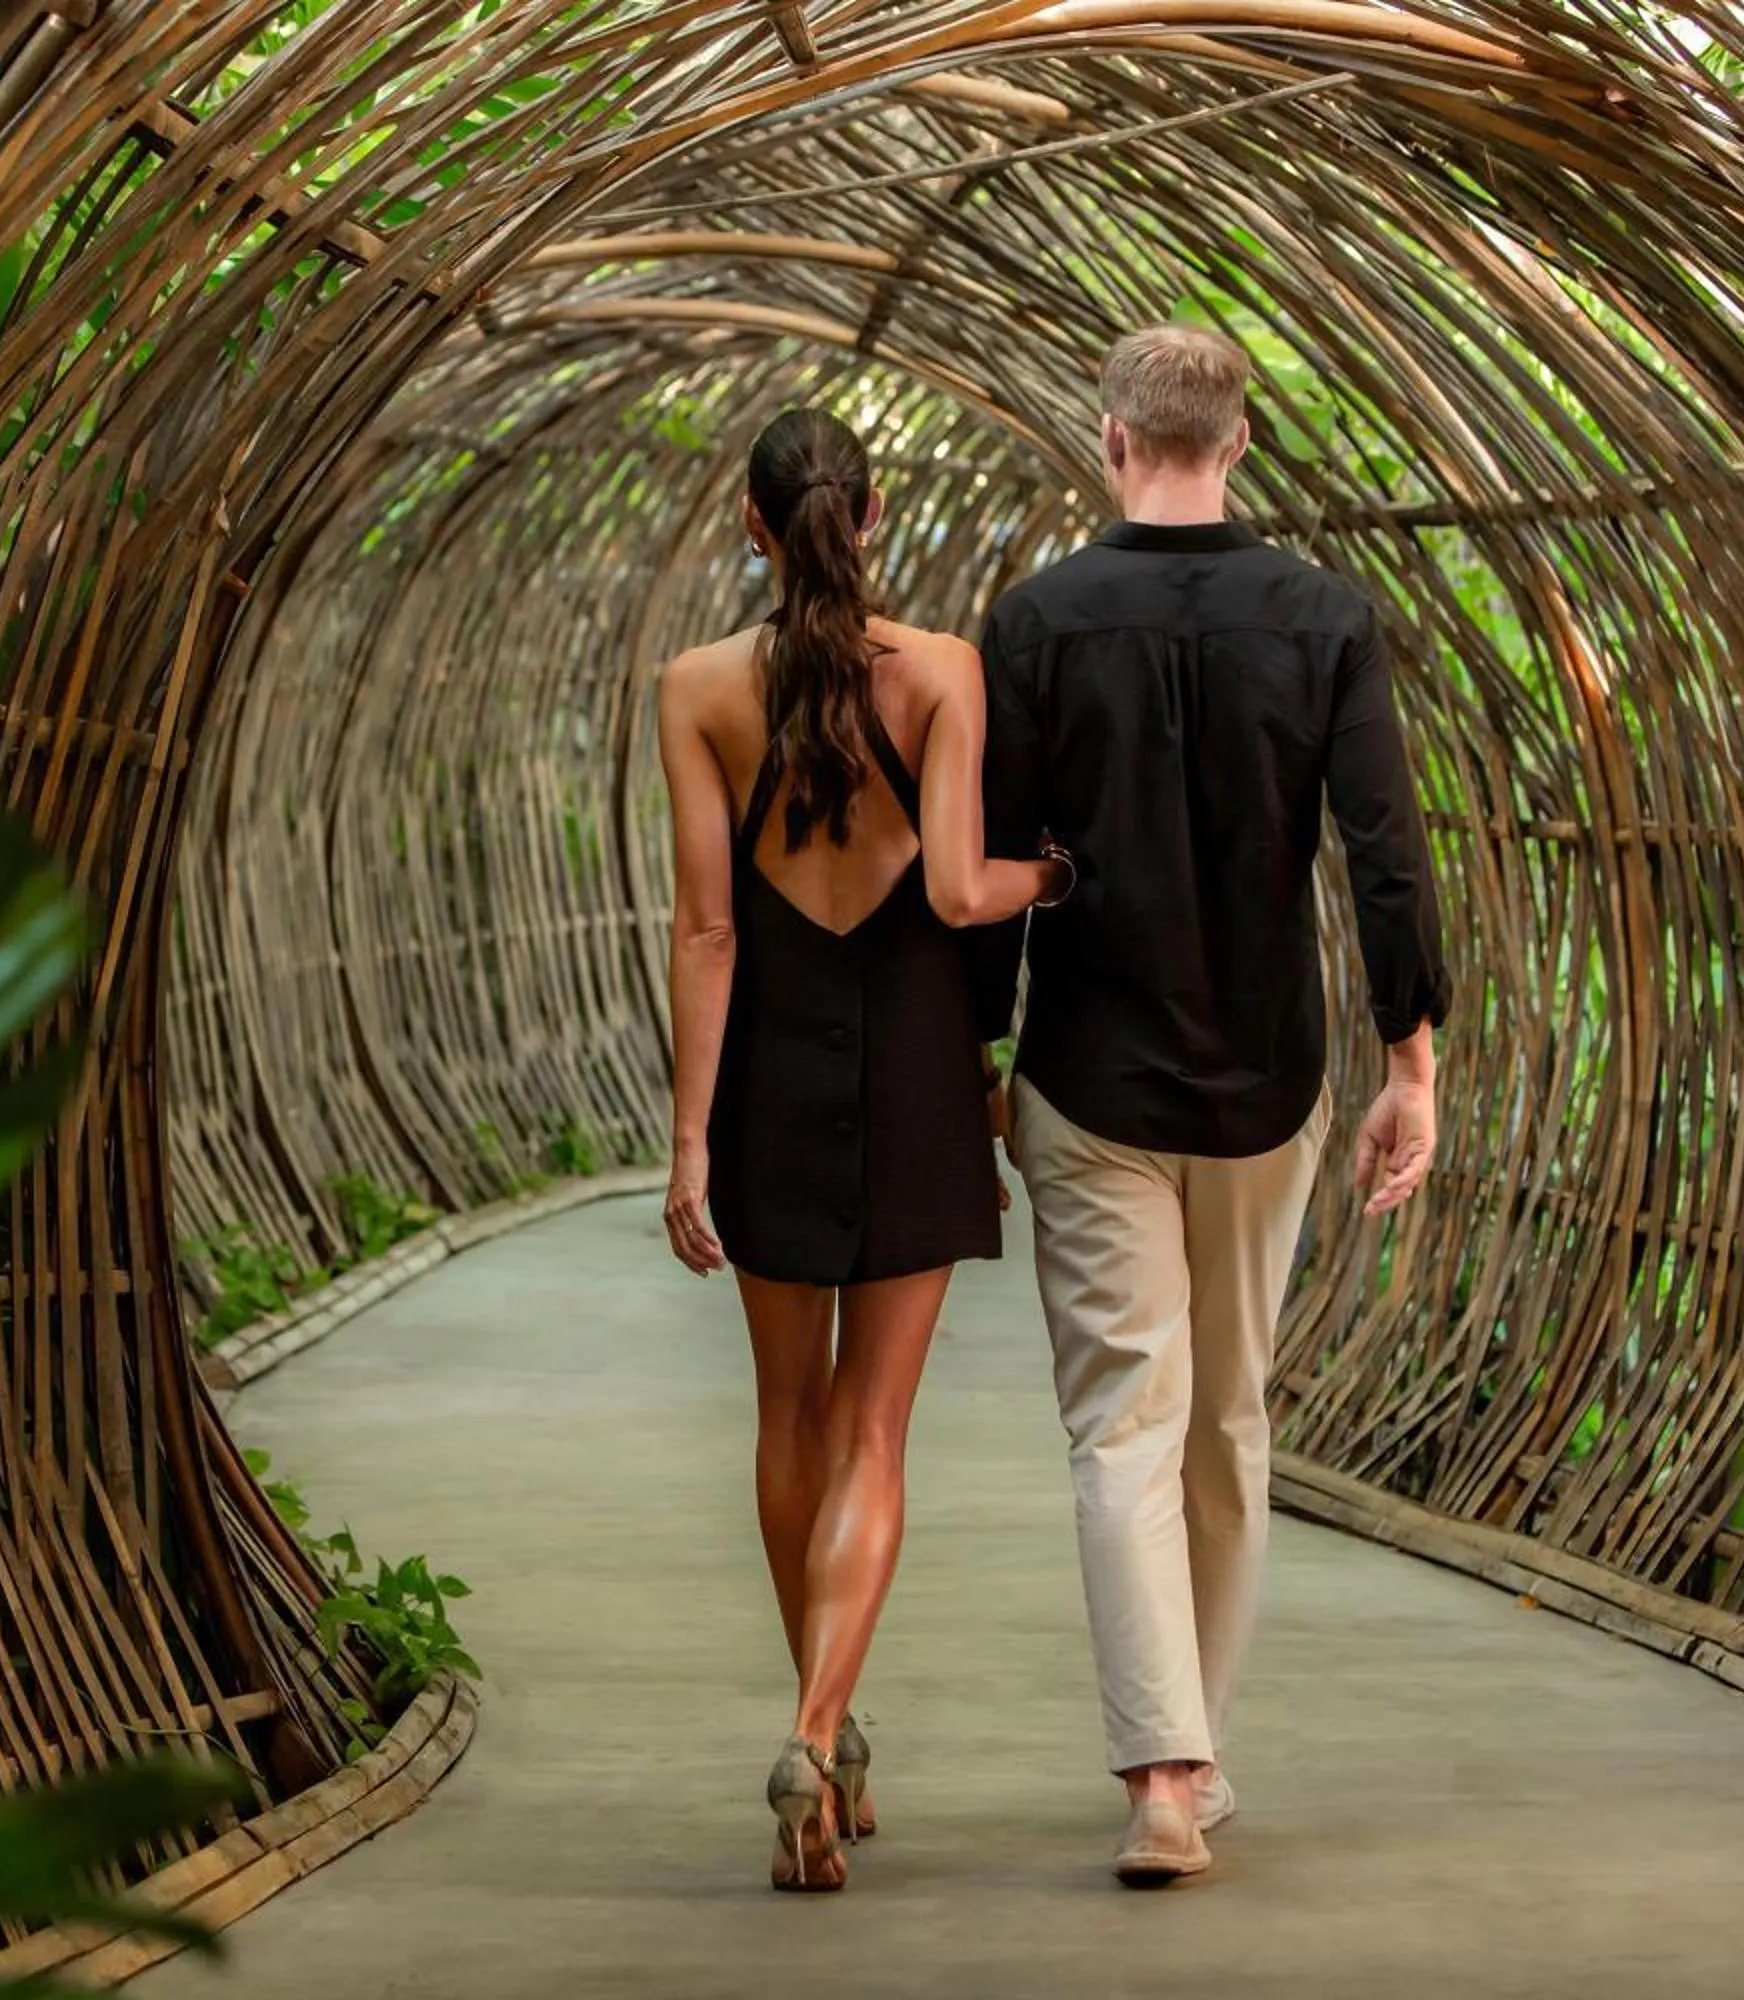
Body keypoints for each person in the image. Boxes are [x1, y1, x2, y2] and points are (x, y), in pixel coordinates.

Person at [971, 324, 1452, 1887]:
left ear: (1112, 440)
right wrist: (1409, 1062)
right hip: (1265, 1079)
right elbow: (1385, 848)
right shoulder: (1323, 618)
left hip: (1090, 1076)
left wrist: (985, 1056)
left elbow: (984, 865)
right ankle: (1198, 1755)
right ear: (1236, 444)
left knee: (1123, 1425)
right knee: (1227, 1425)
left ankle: (1159, 1773)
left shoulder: (1034, 621)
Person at [656, 407, 1065, 1893]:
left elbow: (708, 930)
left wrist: (692, 1139)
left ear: (755, 528)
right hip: (912, 1068)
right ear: (871, 514)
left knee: (790, 1419)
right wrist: (1060, 871)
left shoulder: (698, 687)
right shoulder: (944, 672)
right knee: (877, 1433)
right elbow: (961, 897)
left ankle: (823, 1738)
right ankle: (816, 1730)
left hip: (767, 1064)